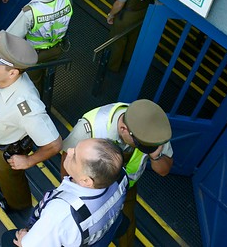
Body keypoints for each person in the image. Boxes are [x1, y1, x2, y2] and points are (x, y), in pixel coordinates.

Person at [60, 99, 173, 246]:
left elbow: (164, 171)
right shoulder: (91, 127)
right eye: (140, 145)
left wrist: (155, 155)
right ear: (124, 129)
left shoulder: (150, 132)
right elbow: (67, 159)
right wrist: (70, 191)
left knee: (126, 222)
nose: (143, 149)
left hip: (125, 188)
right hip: (89, 189)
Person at [0, 30, 62, 211]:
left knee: (9, 178)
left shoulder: (26, 105)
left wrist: (29, 161)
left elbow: (55, 144)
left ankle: (17, 204)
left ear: (12, 73)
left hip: (7, 145)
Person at [2, 138, 128, 247]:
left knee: (8, 239)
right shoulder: (120, 175)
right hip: (102, 234)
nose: (69, 150)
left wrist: (25, 240)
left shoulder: (62, 212)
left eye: (74, 156)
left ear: (85, 181)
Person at [7, 0, 73, 98]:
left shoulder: (30, 11)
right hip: (57, 50)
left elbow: (9, 38)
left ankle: (38, 102)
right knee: (50, 76)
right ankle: (47, 97)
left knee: (33, 83)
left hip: (35, 55)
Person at [106, 0, 154, 72]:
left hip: (126, 16)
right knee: (133, 38)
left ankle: (113, 67)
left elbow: (119, 3)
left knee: (118, 41)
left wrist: (111, 15)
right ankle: (127, 59)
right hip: (142, 13)